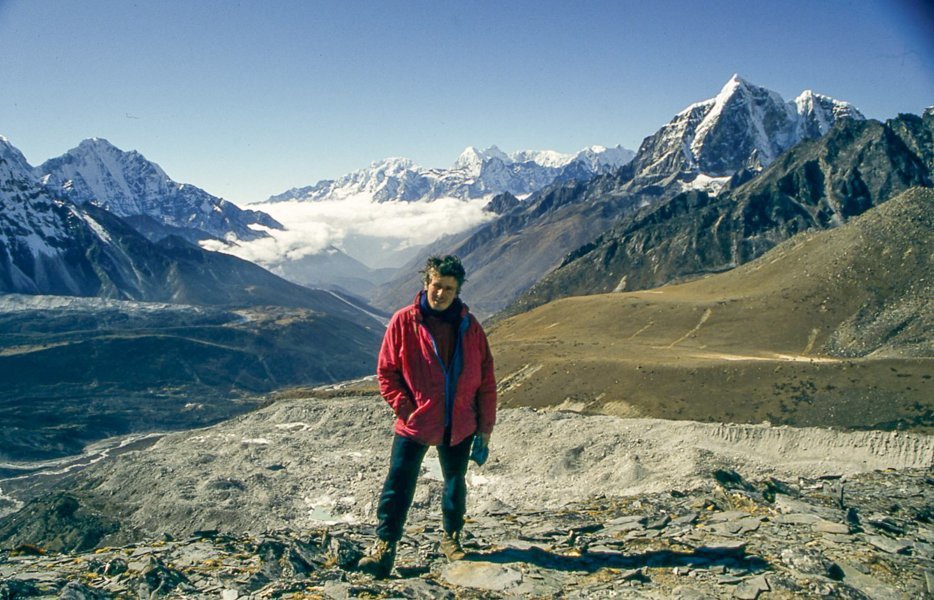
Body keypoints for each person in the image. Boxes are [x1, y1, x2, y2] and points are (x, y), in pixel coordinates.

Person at [358, 255, 497, 579]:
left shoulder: (470, 327)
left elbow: (486, 380)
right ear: (426, 284)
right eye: (437, 286)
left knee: (454, 483)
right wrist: (408, 411)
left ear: (457, 291)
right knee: (398, 482)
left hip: (460, 422)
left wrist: (485, 427)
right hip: (416, 423)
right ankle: (385, 546)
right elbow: (386, 372)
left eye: (449, 288)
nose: (441, 293)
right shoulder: (404, 321)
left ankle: (452, 537)